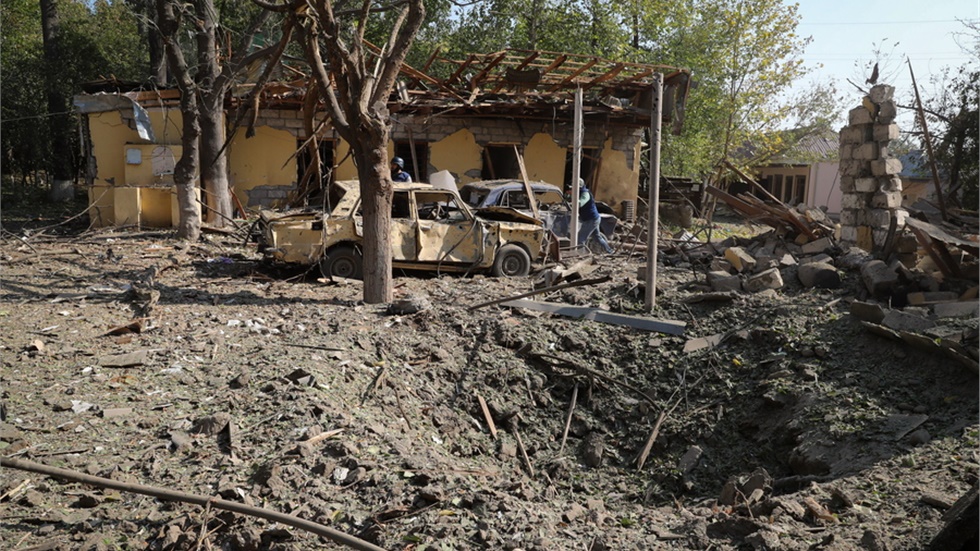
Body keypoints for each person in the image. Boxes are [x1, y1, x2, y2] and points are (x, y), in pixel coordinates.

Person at [566, 178, 613, 254]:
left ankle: (581, 255)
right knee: (597, 237)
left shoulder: (585, 193)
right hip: (592, 218)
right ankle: (610, 251)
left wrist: (573, 198)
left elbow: (581, 203)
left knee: (580, 239)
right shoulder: (578, 193)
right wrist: (569, 195)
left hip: (591, 219)